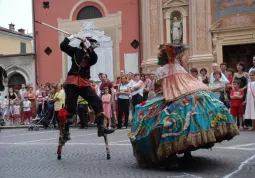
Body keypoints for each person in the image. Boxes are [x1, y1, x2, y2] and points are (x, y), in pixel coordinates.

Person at [128, 43, 239, 168]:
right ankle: (187, 153)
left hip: (170, 98)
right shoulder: (180, 67)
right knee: (188, 124)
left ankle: (172, 157)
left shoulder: (160, 70)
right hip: (189, 95)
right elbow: (189, 82)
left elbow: (158, 89)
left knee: (157, 122)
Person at [60, 34, 114, 144]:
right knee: (70, 108)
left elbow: (94, 58)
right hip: (72, 82)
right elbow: (63, 46)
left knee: (97, 102)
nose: (93, 46)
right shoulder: (75, 51)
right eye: (91, 44)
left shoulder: (92, 56)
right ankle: (65, 132)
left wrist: (87, 44)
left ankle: (101, 129)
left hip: (84, 83)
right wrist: (70, 37)